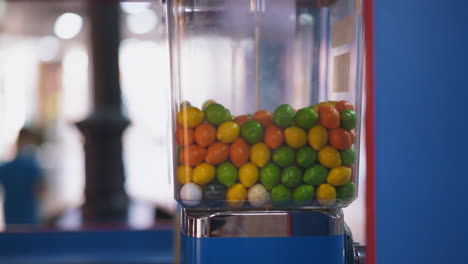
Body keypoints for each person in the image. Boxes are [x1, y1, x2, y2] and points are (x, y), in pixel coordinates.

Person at [0, 128, 43, 227]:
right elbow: (40, 190)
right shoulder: (32, 166)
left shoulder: (6, 167)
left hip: (12, 216)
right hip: (28, 217)